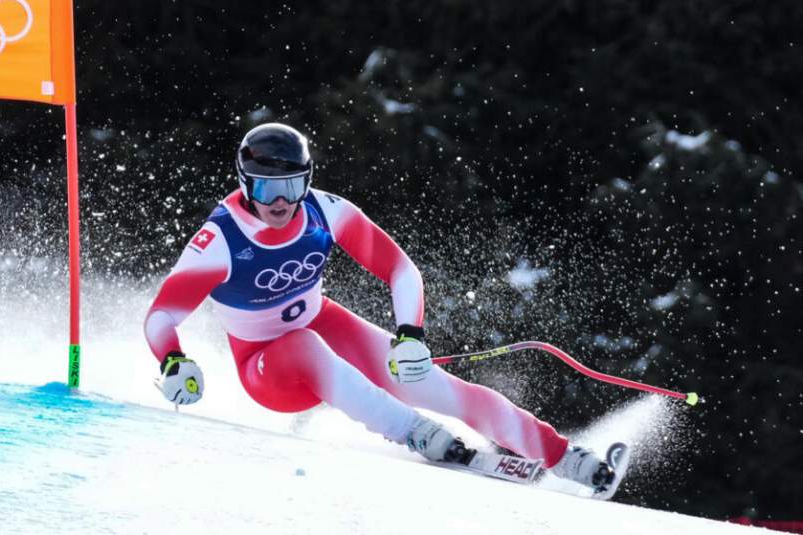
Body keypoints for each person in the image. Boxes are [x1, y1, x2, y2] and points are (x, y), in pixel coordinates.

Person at [144, 122, 615, 491]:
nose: (281, 201)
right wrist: (172, 361)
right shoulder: (220, 242)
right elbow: (162, 316)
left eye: (292, 185)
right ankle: (414, 432)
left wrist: (411, 333)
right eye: (267, 189)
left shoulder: (327, 212)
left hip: (326, 327)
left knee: (428, 380)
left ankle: (566, 456)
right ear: (247, 185)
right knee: (305, 344)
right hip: (267, 367)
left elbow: (400, 268)